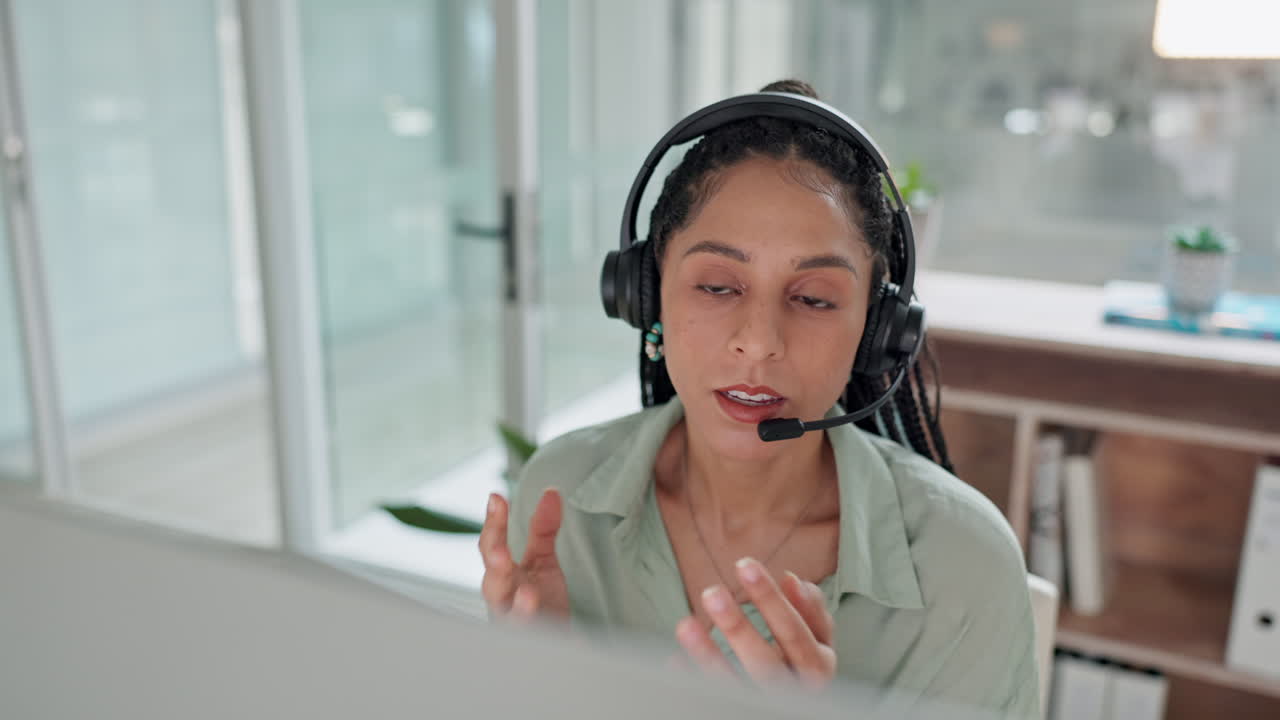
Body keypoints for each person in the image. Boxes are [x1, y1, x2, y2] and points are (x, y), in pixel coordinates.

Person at [477, 80, 1039, 718]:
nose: (759, 343)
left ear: (876, 333)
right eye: (718, 286)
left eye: (814, 299)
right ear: (647, 294)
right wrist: (540, 689)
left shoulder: (965, 565)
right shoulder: (558, 499)